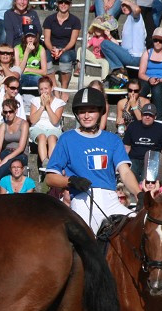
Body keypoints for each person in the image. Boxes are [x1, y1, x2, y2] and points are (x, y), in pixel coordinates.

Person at [44, 86, 140, 234]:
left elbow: (125, 173)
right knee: (88, 245)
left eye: (91, 111)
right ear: (76, 114)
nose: (86, 115)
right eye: (82, 111)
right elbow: (50, 178)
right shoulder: (67, 139)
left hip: (111, 199)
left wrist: (138, 194)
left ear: (101, 112)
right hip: (84, 199)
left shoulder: (113, 139)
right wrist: (70, 181)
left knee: (140, 229)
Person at [42, 0, 80, 97]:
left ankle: (64, 89)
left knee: (65, 58)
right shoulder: (49, 19)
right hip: (52, 48)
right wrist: (52, 49)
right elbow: (46, 39)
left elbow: (73, 41)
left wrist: (63, 50)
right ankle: (54, 86)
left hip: (68, 49)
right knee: (45, 57)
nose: (63, 4)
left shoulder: (75, 20)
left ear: (70, 5)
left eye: (66, 2)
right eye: (61, 2)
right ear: (57, 4)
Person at [123, 103, 162, 181]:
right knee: (129, 178)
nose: (147, 117)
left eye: (150, 115)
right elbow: (126, 147)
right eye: (145, 114)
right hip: (134, 158)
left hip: (152, 159)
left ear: (155, 116)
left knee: (149, 180)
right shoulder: (132, 126)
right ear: (141, 115)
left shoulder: (161, 129)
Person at [28, 75, 64, 169]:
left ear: (51, 88)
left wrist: (47, 106)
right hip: (38, 128)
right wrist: (41, 106)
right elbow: (32, 120)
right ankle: (45, 162)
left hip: (53, 128)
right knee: (42, 137)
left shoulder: (59, 103)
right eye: (41, 89)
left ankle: (52, 163)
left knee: (52, 138)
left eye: (46, 88)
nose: (44, 91)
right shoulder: (35, 101)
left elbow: (55, 121)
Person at [0, 97, 28, 184]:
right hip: (7, 151)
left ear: (16, 111)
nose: (8, 114)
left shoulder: (24, 124)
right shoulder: (4, 125)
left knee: (6, 165)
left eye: (10, 111)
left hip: (20, 154)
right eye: (5, 112)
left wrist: (6, 159)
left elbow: (21, 148)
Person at [100, 0, 145, 75]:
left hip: (135, 57)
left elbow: (137, 10)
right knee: (105, 44)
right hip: (128, 55)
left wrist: (129, 2)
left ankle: (118, 69)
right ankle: (119, 69)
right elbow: (122, 47)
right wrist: (109, 36)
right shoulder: (128, 20)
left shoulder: (136, 17)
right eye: (122, 5)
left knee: (104, 43)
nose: (124, 7)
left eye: (126, 5)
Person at [137, 27, 162, 121]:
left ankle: (158, 118)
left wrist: (158, 80)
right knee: (141, 88)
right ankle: (137, 114)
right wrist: (149, 79)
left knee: (157, 89)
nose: (157, 43)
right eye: (155, 40)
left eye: (160, 40)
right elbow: (141, 73)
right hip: (147, 79)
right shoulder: (147, 53)